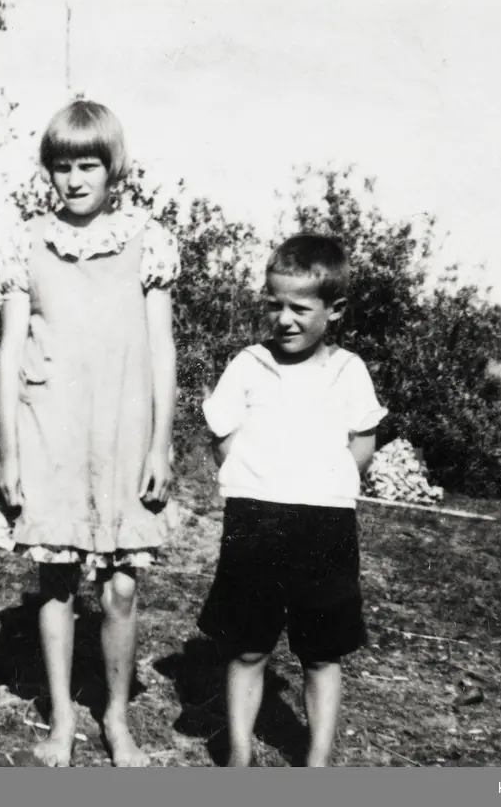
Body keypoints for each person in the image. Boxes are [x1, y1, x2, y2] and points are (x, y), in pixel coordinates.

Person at [0, 99, 181, 767]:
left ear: (111, 168)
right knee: (57, 577)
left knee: (122, 584)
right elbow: (10, 352)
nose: (74, 180)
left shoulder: (144, 239)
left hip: (124, 430)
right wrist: (9, 452)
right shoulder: (26, 240)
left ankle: (118, 718)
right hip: (50, 427)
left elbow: (162, 351)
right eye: (62, 166)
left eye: (88, 165)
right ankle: (62, 720)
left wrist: (161, 442)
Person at [197, 233, 387, 767]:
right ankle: (239, 754)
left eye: (300, 308)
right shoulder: (249, 363)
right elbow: (221, 428)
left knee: (322, 652)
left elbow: (363, 438)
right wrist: (253, 472)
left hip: (323, 526)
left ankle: (317, 762)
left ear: (335, 310)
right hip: (255, 519)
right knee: (247, 646)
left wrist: (325, 480)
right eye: (274, 305)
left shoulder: (348, 370)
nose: (285, 319)